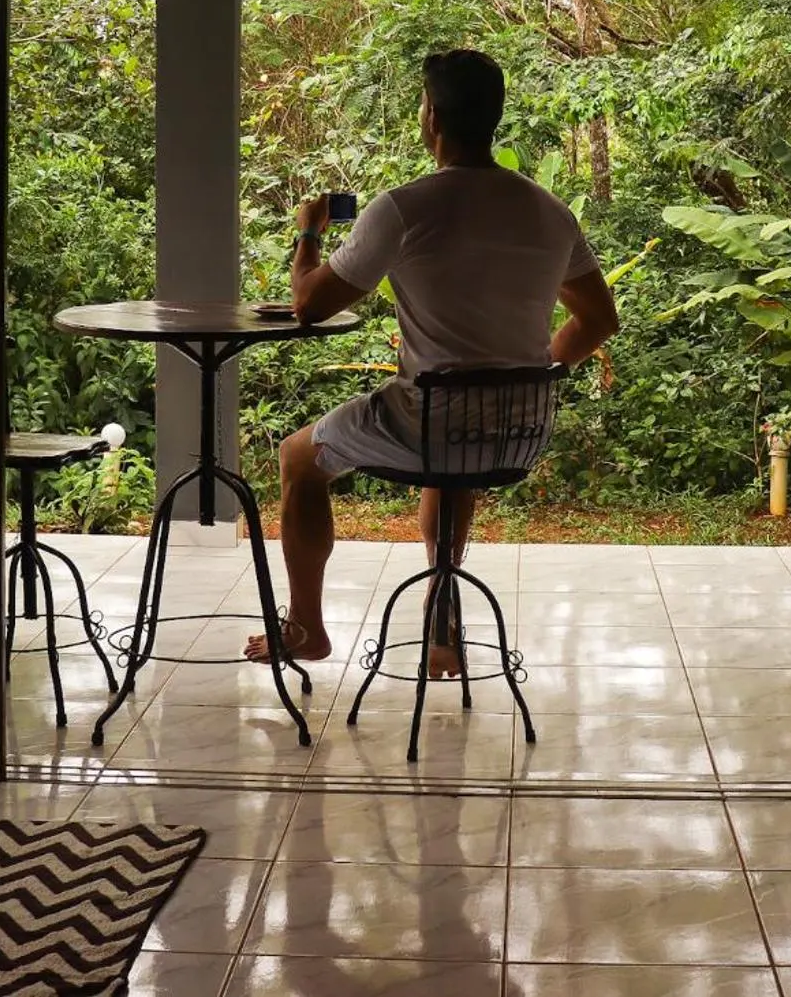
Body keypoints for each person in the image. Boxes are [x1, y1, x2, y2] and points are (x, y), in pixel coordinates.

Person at [244, 48, 620, 677]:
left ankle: (305, 628)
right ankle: (441, 623)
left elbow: (309, 304)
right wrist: (535, 373)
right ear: (493, 119)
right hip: (520, 432)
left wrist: (308, 232)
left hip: (430, 419)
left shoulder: (403, 208)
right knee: (453, 464)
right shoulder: (550, 212)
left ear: (432, 118)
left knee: (297, 458)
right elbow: (598, 320)